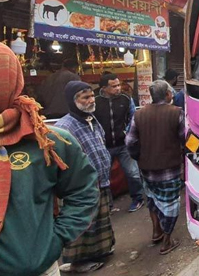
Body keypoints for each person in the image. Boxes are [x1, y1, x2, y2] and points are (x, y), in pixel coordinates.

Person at [0, 43, 100, 276]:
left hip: (34, 269)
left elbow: (83, 189)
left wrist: (52, 242)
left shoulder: (47, 141)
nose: (90, 100)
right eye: (85, 96)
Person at [55, 82, 115, 273]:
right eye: (85, 97)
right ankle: (77, 262)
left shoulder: (92, 119)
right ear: (73, 101)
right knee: (83, 224)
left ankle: (99, 252)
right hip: (81, 187)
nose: (91, 100)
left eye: (92, 96)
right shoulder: (64, 127)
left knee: (99, 220)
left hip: (100, 181)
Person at [126, 80, 185, 255]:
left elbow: (130, 141)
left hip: (146, 169)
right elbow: (185, 138)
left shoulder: (139, 114)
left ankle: (156, 231)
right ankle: (167, 240)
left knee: (152, 199)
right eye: (171, 92)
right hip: (170, 168)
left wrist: (138, 156)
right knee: (170, 204)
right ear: (167, 94)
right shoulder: (176, 112)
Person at [94, 72, 144, 212]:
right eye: (114, 86)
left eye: (118, 85)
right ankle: (108, 205)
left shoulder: (126, 99)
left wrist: (127, 133)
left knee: (133, 173)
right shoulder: (95, 101)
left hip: (123, 145)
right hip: (104, 146)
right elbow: (92, 121)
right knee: (104, 176)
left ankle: (138, 199)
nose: (118, 88)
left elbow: (133, 118)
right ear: (104, 88)